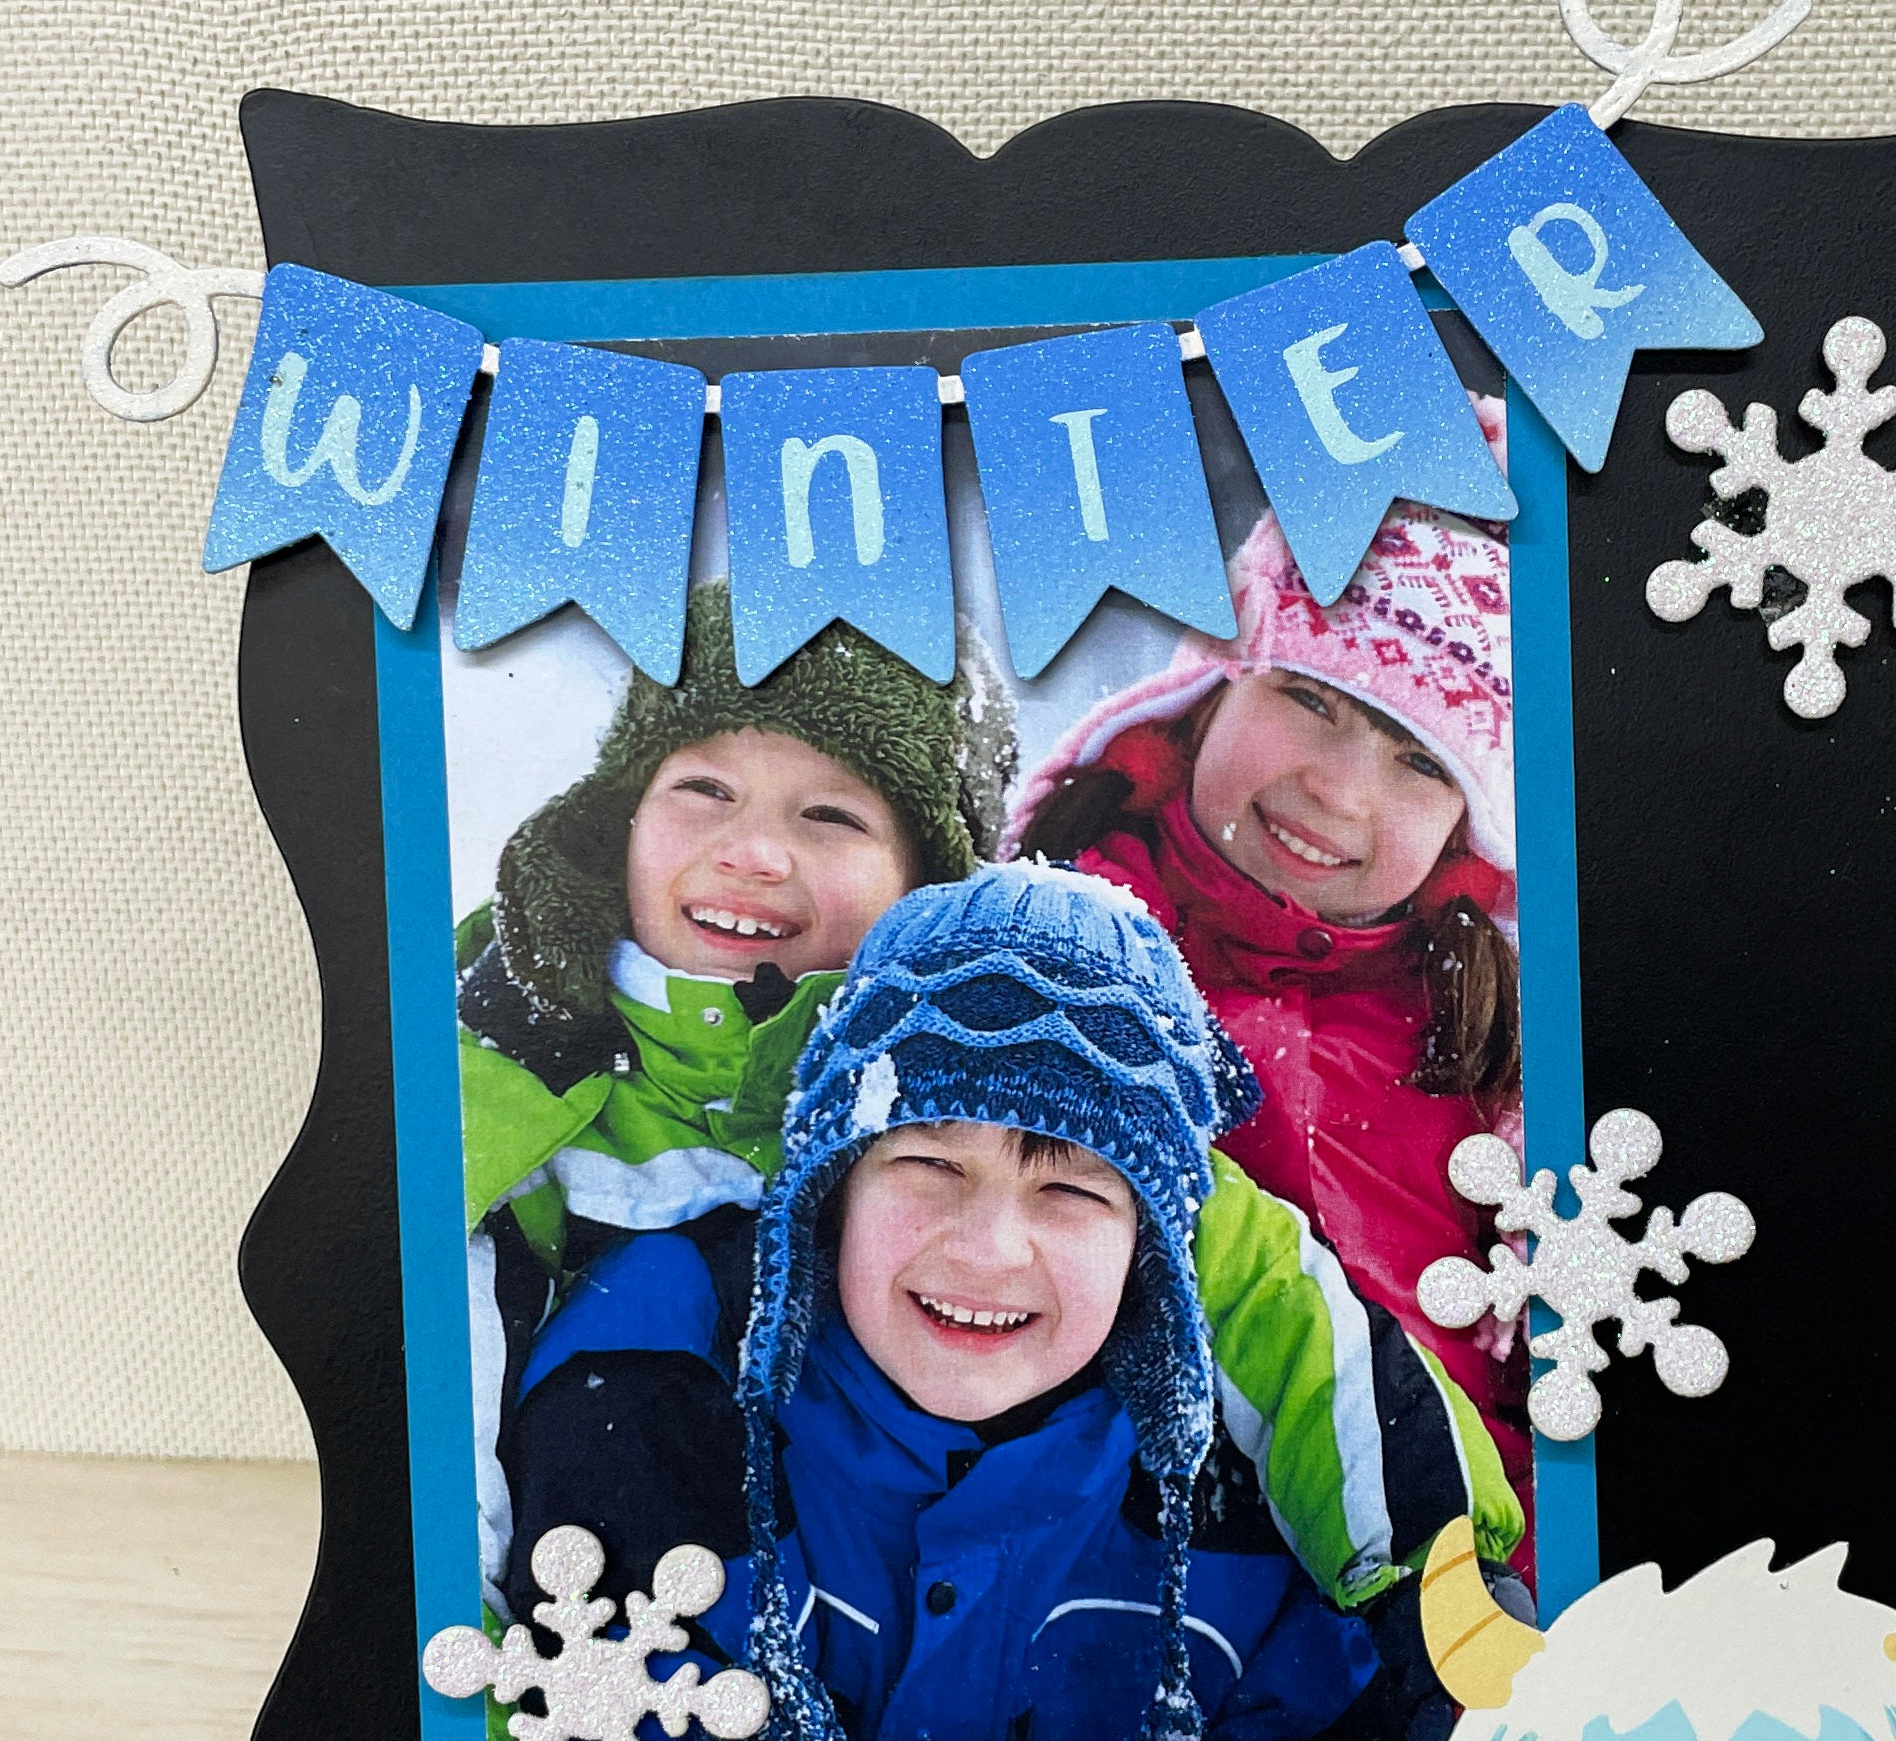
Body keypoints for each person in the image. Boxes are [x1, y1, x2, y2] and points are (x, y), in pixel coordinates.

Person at [455, 578, 1521, 1640]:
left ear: (931, 879)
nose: (754, 853)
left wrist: (1448, 1597)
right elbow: (435, 1464)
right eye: (704, 789)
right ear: (622, 815)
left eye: (830, 815)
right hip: (635, 1636)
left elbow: (1267, 1299)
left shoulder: (1005, 1051)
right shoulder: (497, 1083)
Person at [491, 867, 1415, 1741]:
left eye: (1070, 1189)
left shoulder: (1237, 1475)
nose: (986, 1250)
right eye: (929, 1162)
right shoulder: (661, 1382)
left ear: (1150, 1244)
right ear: (834, 1183)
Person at [1005, 457, 1531, 1522]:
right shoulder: (1044, 952)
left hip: (1452, 1564)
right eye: (1309, 699)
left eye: (1421, 763)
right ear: (1208, 695)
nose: (1338, 791)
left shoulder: (1492, 1047)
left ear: (1465, 828)